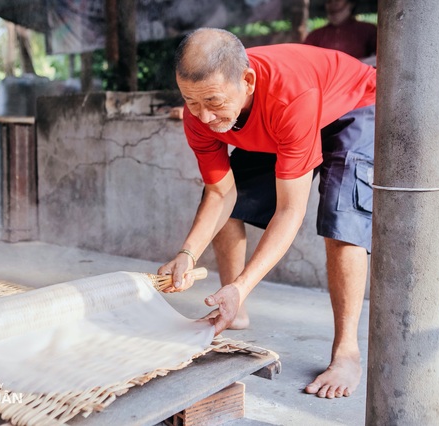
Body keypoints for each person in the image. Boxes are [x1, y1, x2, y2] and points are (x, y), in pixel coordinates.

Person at [158, 28, 376, 399]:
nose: (205, 117)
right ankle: (234, 310)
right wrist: (187, 253)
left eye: (213, 101)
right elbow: (220, 192)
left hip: (350, 107)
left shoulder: (288, 96)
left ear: (247, 81)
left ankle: (346, 353)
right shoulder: (200, 110)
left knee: (343, 222)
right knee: (231, 205)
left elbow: (291, 211)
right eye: (192, 102)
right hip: (281, 120)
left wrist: (244, 283)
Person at [304, 0, 377, 65]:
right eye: (329, 1)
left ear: (350, 3)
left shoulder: (367, 30)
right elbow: (305, 58)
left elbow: (380, 57)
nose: (333, 4)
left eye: (337, 0)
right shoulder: (315, 35)